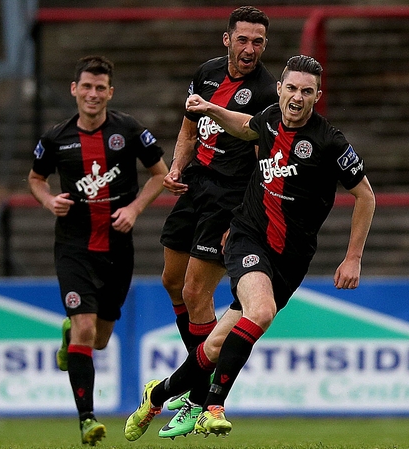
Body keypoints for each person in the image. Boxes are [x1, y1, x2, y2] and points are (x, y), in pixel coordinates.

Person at [124, 55, 375, 440]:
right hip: (247, 236)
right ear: (280, 89)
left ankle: (156, 395)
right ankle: (213, 406)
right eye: (291, 88)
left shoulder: (330, 142)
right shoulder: (270, 118)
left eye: (306, 91)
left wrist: (353, 257)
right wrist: (209, 108)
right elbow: (245, 126)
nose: (297, 97)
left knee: (215, 345)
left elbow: (365, 196)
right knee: (260, 312)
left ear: (317, 96)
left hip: (291, 258)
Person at [27, 55, 168, 446]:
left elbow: (161, 174)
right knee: (87, 330)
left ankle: (69, 331)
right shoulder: (55, 137)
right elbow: (36, 179)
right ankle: (87, 418)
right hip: (73, 246)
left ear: (110, 92)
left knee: (100, 338)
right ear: (74, 89)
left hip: (117, 248)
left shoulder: (129, 130)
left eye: (99, 88)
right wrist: (47, 200)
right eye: (85, 86)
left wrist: (135, 208)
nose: (92, 94)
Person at [156, 5, 278, 438]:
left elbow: (264, 155)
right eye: (242, 40)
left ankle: (202, 392)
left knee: (194, 290)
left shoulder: (267, 91)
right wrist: (175, 167)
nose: (250, 49)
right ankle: (200, 371)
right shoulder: (206, 73)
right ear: (227, 39)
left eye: (258, 42)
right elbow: (189, 128)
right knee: (171, 282)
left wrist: (245, 219)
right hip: (194, 185)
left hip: (229, 198)